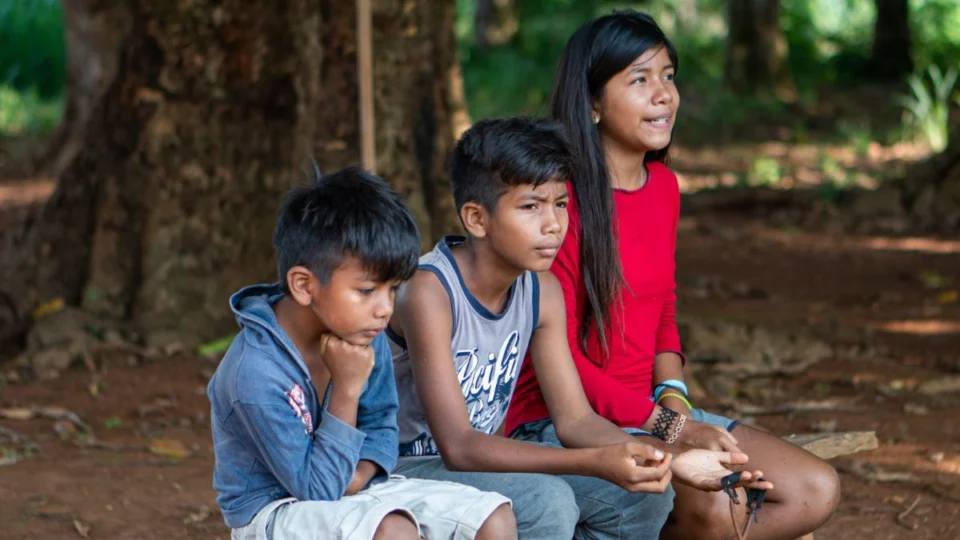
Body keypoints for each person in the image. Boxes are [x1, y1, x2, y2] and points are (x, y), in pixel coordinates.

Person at [505, 11, 841, 540]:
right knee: (718, 511)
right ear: (592, 103)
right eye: (639, 79)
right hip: (563, 420)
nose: (664, 94)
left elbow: (663, 306)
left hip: (653, 409)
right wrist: (675, 431)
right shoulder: (559, 204)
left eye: (668, 75)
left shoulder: (663, 186)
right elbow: (562, 362)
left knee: (813, 489)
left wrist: (675, 400)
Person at [388, 117, 769, 540]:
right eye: (531, 206)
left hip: (484, 461)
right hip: (406, 467)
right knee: (546, 500)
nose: (553, 224)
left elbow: (575, 420)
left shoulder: (542, 291)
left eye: (561, 204)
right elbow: (458, 446)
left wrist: (669, 456)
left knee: (643, 494)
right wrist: (595, 462)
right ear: (477, 219)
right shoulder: (429, 290)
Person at [207, 166, 517, 540]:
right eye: (367, 290)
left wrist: (359, 474)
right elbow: (317, 488)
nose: (384, 308)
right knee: (393, 531)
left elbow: (383, 424)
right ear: (304, 285)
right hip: (273, 509)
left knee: (492, 517)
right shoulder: (255, 371)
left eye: (392, 290)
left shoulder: (363, 331)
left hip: (358, 486)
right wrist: (347, 387)